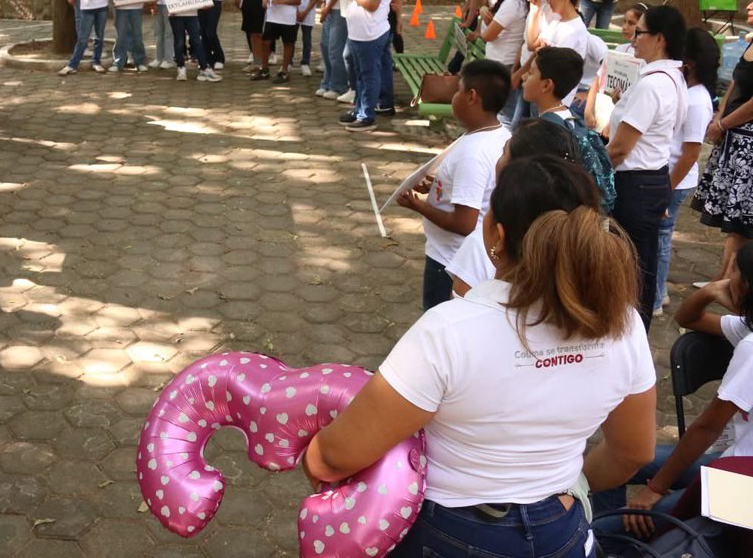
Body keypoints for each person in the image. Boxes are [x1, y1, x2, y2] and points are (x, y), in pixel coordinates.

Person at [306, 156, 656, 558]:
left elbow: (333, 458)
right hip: (561, 530)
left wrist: (310, 454)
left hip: (448, 532)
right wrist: (563, 491)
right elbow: (633, 451)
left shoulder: (449, 330)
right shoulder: (623, 323)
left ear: (495, 234)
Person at [593, 243, 753, 541]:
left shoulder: (751, 347)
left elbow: (706, 427)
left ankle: (613, 539)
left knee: (603, 529)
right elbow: (688, 319)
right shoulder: (747, 330)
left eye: (734, 274)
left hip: (742, 490)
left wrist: (654, 489)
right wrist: (707, 293)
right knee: (615, 462)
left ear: (743, 288)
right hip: (735, 461)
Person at [398, 59, 512, 309]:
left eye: (458, 90)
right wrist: (440, 185)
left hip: (449, 260)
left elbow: (464, 223)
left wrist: (417, 205)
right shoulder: (500, 135)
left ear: (472, 96)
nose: (453, 97)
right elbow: (481, 189)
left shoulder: (472, 154)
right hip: (470, 255)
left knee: (437, 316)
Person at [607, 4, 688, 329]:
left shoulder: (652, 84)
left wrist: (589, 172)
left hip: (635, 185)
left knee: (629, 272)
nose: (633, 38)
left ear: (659, 39)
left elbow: (620, 148)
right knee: (641, 266)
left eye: (639, 32)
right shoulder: (672, 77)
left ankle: (629, 340)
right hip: (652, 180)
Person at [446, 119, 582, 295]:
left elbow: (461, 314)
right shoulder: (581, 238)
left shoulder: (482, 244)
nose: (498, 160)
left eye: (503, 153)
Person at [653, 29, 720, 316]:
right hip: (669, 175)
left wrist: (666, 189)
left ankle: (655, 299)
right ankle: (659, 293)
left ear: (689, 63)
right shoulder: (688, 92)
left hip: (674, 179)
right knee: (658, 236)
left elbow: (691, 153)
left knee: (660, 237)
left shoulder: (697, 100)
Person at [694, 2, 753, 281]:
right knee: (734, 222)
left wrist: (723, 123)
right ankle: (725, 279)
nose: (749, 6)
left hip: (748, 148)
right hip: (734, 140)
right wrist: (719, 114)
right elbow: (734, 84)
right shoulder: (750, 44)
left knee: (741, 222)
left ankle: (727, 281)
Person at [338, 0, 393, 132]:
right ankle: (359, 109)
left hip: (370, 33)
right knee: (360, 75)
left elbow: (371, 4)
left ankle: (367, 115)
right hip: (359, 33)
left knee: (368, 75)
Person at [473, 0, 528, 125]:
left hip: (503, 63)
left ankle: (503, 148)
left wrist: (483, 18)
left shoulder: (513, 3)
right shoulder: (520, 2)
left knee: (505, 114)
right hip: (506, 61)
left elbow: (488, 35)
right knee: (505, 111)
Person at [159, 0, 219, 82]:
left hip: (192, 14)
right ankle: (181, 68)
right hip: (176, 15)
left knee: (196, 40)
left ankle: (204, 68)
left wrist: (204, 2)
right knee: (179, 41)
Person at [584, 3, 645, 132]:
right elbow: (598, 79)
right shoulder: (619, 50)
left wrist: (610, 124)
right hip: (603, 113)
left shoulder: (645, 60)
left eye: (631, 23)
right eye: (624, 22)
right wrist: (588, 110)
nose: (624, 27)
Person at [259, 0, 302, 83]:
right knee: (266, 42)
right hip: (272, 15)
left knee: (288, 43)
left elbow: (298, 0)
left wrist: (282, 1)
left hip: (287, 18)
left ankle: (284, 71)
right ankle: (264, 69)